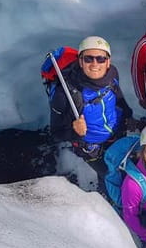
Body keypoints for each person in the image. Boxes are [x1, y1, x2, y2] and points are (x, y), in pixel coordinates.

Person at [49, 36, 133, 195]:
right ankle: (110, 199)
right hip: (92, 148)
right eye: (88, 58)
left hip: (117, 134)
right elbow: (56, 133)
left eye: (101, 59)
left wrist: (128, 115)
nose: (95, 64)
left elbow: (118, 97)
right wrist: (75, 132)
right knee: (110, 176)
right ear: (80, 61)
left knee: (123, 168)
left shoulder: (112, 74)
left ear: (108, 62)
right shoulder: (65, 94)